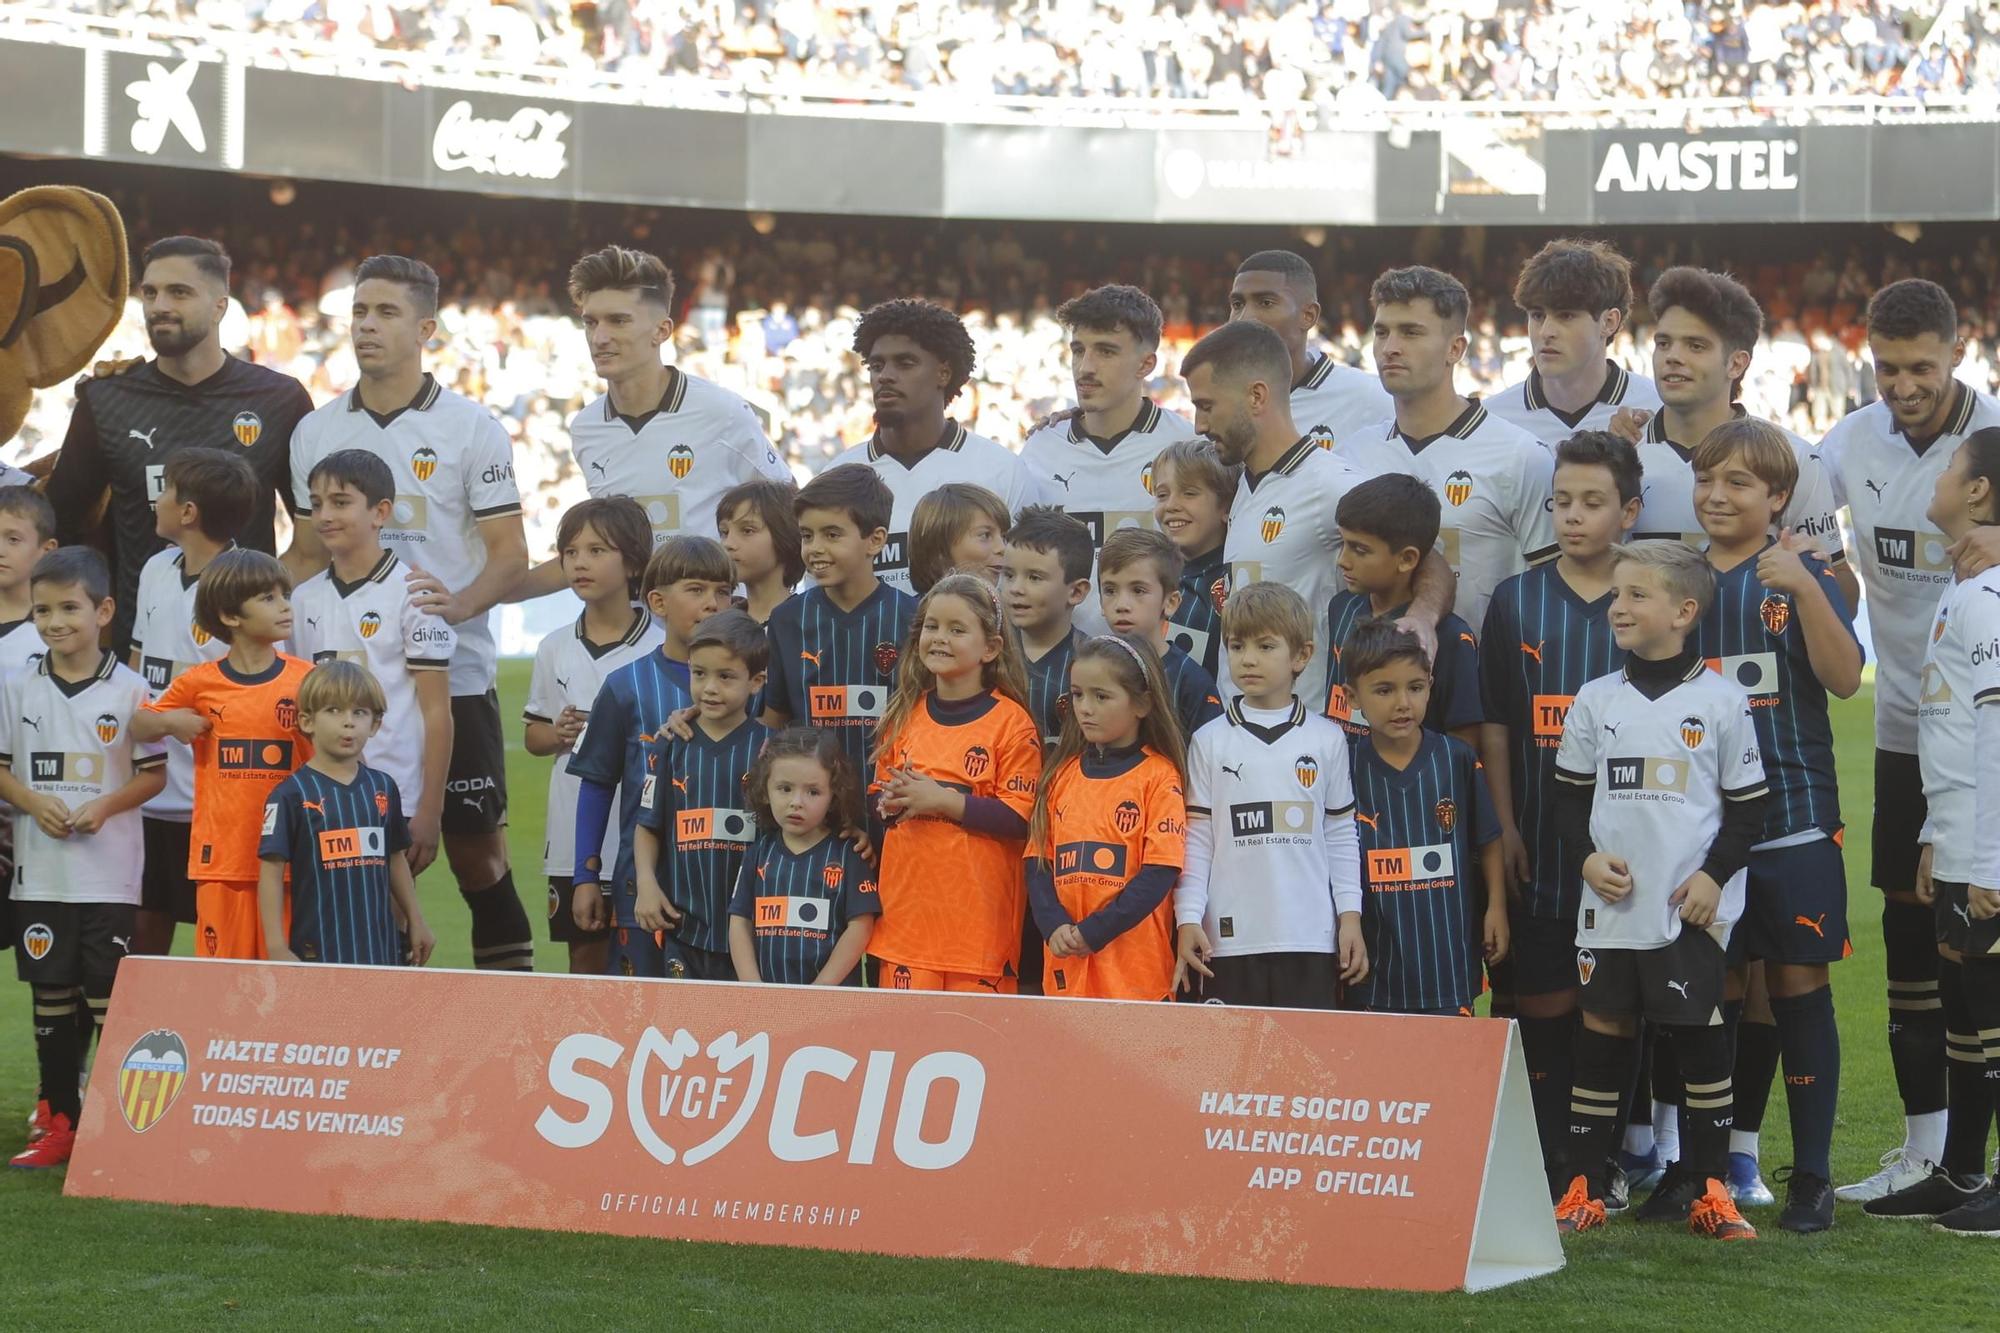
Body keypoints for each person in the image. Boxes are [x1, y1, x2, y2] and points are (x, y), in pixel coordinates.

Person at [287, 254, 533, 973]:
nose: (366, 324)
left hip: (447, 679)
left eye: (386, 312)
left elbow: (509, 553)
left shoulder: (470, 427)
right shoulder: (318, 429)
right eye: (359, 311)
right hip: (341, 692)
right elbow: (302, 555)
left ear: (426, 327)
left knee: (476, 857)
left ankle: (505, 1029)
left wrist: (459, 606)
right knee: (350, 864)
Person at [1820, 278, 2000, 1201]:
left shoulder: (1994, 443)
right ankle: (1929, 1151)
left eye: (1921, 366)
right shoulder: (1849, 444)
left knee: (1983, 941)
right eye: (1887, 368)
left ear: (1958, 353)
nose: (1903, 385)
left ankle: (1973, 1160)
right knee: (1909, 934)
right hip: (1902, 733)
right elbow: (1806, 538)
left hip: (1987, 739)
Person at [1551, 541, 1767, 1240]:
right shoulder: (1595, 698)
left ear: (1684, 611)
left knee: (1700, 1040)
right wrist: (1585, 859)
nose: (1618, 606)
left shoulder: (1723, 700)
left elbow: (1748, 808)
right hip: (1610, 909)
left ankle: (1711, 1190)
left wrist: (1712, 876)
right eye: (1617, 594)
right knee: (1603, 1035)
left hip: (1686, 911)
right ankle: (1584, 1185)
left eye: (1636, 595)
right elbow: (1564, 801)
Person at [1691, 417, 1861, 1233]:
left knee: (1798, 986)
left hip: (1794, 815)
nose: (1718, 496)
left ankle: (1814, 1178)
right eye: (1707, 481)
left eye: (1740, 484)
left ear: (1779, 498)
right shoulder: (1678, 581)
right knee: (1716, 992)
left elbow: (1845, 677)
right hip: (1703, 827)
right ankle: (1713, 1168)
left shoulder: (1798, 576)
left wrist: (1801, 582)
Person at [1479, 430, 1641, 1192]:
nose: (1572, 517)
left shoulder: (1648, 599)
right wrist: (1506, 823)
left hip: (1630, 843)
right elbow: (1500, 725)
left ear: (1630, 511)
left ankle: (1603, 1158)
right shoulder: (1517, 599)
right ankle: (1550, 1159)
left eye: (1592, 502)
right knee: (1544, 1000)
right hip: (1540, 838)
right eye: (1561, 502)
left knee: (1614, 1005)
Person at [45, 236, 311, 656]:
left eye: (179, 292)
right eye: (150, 292)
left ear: (220, 305)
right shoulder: (107, 398)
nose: (158, 305)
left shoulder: (279, 399)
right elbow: (62, 523)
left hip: (249, 657)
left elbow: (313, 528)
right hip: (141, 655)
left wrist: (268, 596)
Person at [1865, 426, 2000, 1234]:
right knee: (1959, 995)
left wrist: (1984, 856)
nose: (1940, 475)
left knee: (1989, 1006)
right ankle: (1961, 1170)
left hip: (1987, 846)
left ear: (1978, 491)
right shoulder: (1967, 589)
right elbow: (1953, 735)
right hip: (1958, 835)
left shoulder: (1986, 599)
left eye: (1953, 466)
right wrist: (1936, 838)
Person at [0, 547, 164, 1170]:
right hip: (40, 875)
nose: (54, 621)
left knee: (107, 997)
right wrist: (31, 802)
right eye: (42, 610)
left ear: (103, 610)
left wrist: (106, 807)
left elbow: (152, 777)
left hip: (108, 877)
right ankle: (61, 1123)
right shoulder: (17, 687)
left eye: (69, 607)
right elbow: (3, 770)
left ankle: (120, 1121)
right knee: (49, 997)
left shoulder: (131, 689)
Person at [1343, 264, 1557, 637]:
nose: (1390, 347)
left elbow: (1551, 593)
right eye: (1382, 332)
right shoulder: (1353, 455)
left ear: (1455, 348)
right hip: (1373, 684)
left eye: (1411, 332)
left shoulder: (1521, 456)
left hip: (1482, 683)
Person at [1175, 583, 1363, 1007]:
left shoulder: (1327, 739)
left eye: (1265, 646)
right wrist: (1188, 916)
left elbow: (1340, 835)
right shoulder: (1208, 740)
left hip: (1310, 937)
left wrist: (1350, 916)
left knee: (1304, 1067)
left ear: (1301, 655)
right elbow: (1198, 839)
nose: (1248, 659)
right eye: (1237, 646)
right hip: (1229, 940)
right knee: (1231, 1069)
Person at [1625, 267, 1856, 608]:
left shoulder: (1794, 458)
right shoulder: (1621, 454)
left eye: (1695, 345)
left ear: (1736, 364)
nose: (1673, 356)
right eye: (1664, 343)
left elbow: (1845, 603)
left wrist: (1811, 573)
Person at [134, 549, 313, 961]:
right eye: (268, 598)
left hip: (291, 863)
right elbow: (140, 725)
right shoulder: (200, 683)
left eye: (285, 594)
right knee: (223, 988)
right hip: (222, 863)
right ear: (231, 617)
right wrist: (173, 723)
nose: (285, 606)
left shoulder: (307, 680)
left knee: (289, 985)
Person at [868, 574, 1041, 993]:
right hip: (906, 931)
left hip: (979, 938)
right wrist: (888, 803)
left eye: (956, 629)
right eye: (931, 626)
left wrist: (943, 801)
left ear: (991, 648)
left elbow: (1021, 818)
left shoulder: (1012, 723)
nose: (940, 638)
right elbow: (877, 802)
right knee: (908, 1052)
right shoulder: (902, 716)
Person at [567, 537, 730, 977]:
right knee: (638, 1023)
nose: (713, 603)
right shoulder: (626, 686)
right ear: (657, 601)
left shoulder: (748, 687)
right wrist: (585, 876)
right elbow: (597, 785)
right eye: (696, 590)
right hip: (642, 889)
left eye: (723, 592)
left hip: (727, 891)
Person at [290, 449, 456, 882]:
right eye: (317, 503)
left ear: (380, 512)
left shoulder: (413, 595)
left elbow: (437, 711)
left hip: (391, 794)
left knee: (385, 928)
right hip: (317, 796)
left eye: (340, 502)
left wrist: (430, 811)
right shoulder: (302, 598)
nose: (325, 514)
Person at [1181, 320, 1362, 709]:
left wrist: (1423, 617)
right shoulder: (1243, 483)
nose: (1199, 425)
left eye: (1206, 406)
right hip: (1238, 734)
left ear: (1257, 396)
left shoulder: (1330, 484)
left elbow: (1420, 558)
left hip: (1305, 738)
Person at [523, 497, 661, 976]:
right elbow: (532, 736)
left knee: (650, 964)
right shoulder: (554, 646)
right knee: (583, 963)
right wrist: (555, 733)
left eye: (598, 550)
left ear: (634, 562)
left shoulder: (661, 642)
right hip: (571, 835)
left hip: (644, 834)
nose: (580, 561)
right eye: (571, 551)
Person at [1342, 620, 1506, 1015]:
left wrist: (1496, 907)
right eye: (1384, 690)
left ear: (1431, 685)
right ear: (1353, 696)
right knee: (1383, 1072)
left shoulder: (1456, 758)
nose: (1403, 703)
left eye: (1415, 688)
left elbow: (1488, 839)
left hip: (1448, 960)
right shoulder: (1344, 765)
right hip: (1377, 962)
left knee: (1451, 1070)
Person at [829, 299, 1042, 593]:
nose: (885, 376)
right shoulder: (838, 477)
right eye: (876, 365)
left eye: (905, 363)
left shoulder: (1001, 470)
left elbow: (1031, 582)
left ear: (943, 373)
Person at [1020, 284, 1194, 634]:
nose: (1085, 367)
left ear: (1146, 364)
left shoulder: (1185, 446)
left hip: (1158, 663)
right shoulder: (1041, 448)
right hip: (1064, 666)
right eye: (1078, 350)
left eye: (1106, 351)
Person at [127, 451, 245, 957]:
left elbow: (253, 693)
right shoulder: (156, 568)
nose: (157, 499)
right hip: (149, 797)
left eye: (167, 490)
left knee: (216, 945)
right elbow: (137, 668)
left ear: (189, 511)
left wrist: (185, 721)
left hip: (212, 806)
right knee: (141, 940)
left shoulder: (245, 582)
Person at [1026, 634, 1187, 1001]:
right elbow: (1037, 863)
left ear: (1142, 704)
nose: (1085, 707)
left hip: (1135, 978)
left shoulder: (1159, 776)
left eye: (1101, 696)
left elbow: (1159, 873)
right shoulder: (1060, 775)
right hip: (1067, 969)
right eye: (1078, 694)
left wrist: (1094, 932)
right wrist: (1054, 926)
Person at [256, 660, 437, 969]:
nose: (348, 722)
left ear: (376, 724)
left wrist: (415, 919)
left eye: (359, 712)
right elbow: (271, 873)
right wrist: (275, 947)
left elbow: (394, 859)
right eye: (334, 711)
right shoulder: (290, 795)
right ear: (307, 721)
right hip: (318, 954)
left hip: (380, 951)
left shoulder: (383, 787)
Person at [632, 610, 771, 980]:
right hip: (684, 928)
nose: (709, 687)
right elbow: (647, 825)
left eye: (725, 677)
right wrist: (646, 883)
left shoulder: (771, 750)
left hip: (754, 933)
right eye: (699, 674)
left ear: (756, 682)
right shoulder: (669, 745)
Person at [761, 464, 915, 782]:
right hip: (814, 818)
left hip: (893, 809)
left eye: (832, 535)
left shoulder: (913, 619)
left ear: (875, 540)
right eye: (807, 535)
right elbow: (774, 723)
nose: (815, 548)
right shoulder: (786, 620)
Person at [1324, 474, 1481, 751]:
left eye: (1359, 550)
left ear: (1407, 559)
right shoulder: (1341, 607)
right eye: (1343, 543)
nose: (1342, 561)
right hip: (1344, 784)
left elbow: (1463, 742)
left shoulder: (1451, 636)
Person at [727, 727, 879, 987]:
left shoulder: (849, 854)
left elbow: (861, 926)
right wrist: (752, 987)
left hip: (830, 1007)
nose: (796, 802)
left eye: (813, 792)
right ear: (765, 790)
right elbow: (740, 921)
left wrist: (819, 991)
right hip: (767, 1003)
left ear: (833, 796)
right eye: (784, 788)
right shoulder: (759, 853)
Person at [1485, 238, 1660, 446]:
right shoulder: (1492, 421)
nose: (1546, 332)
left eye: (1566, 316)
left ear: (1609, 322)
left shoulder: (1658, 412)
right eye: (1537, 316)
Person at [1227, 250, 1391, 452]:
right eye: (1237, 304)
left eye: (1266, 303)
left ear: (1308, 315)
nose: (1245, 317)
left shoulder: (1369, 397)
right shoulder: (1223, 402)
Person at [1097, 528, 1222, 740]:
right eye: (1110, 590)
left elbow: (1210, 762)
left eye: (1138, 590)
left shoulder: (1190, 680)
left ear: (1171, 602)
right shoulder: (1091, 670)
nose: (1121, 605)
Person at [1000, 505, 1093, 749]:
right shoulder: (986, 652)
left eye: (1034, 577)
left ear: (1076, 591)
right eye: (1009, 575)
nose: (1016, 588)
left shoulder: (1095, 664)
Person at [1149, 439, 1238, 681]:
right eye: (1162, 495)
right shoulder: (1153, 576)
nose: (1171, 505)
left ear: (1227, 506)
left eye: (1189, 493)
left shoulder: (1233, 583)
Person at [716, 477, 803, 627]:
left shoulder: (809, 624)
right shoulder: (716, 623)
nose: (728, 543)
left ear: (785, 536)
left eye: (747, 530)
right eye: (724, 532)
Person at [907, 482, 1009, 595]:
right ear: (939, 549)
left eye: (1004, 537)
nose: (1002, 548)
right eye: (985, 535)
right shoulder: (901, 611)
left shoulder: (1014, 610)